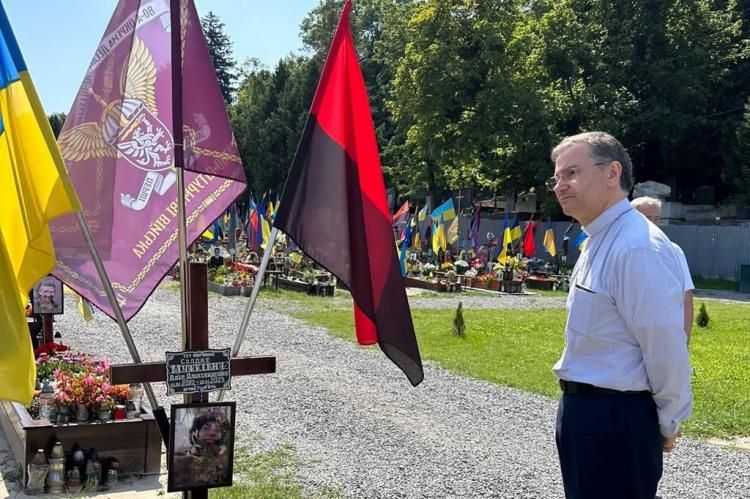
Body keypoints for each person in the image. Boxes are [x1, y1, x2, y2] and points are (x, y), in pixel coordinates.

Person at [547, 132, 692, 499]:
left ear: (612, 173)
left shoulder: (636, 246)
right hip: (587, 414)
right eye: (557, 177)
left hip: (616, 419)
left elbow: (664, 346)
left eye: (572, 173)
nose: (560, 185)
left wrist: (668, 420)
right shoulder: (599, 239)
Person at [631, 196, 695, 343]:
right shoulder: (623, 250)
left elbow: (686, 295)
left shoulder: (673, 250)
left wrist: (685, 339)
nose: (653, 223)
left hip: (665, 335)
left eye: (656, 219)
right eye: (647, 218)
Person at [172, 412, 230, 488]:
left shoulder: (224, 462)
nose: (212, 433)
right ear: (194, 432)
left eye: (217, 430)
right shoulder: (178, 462)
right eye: (206, 428)